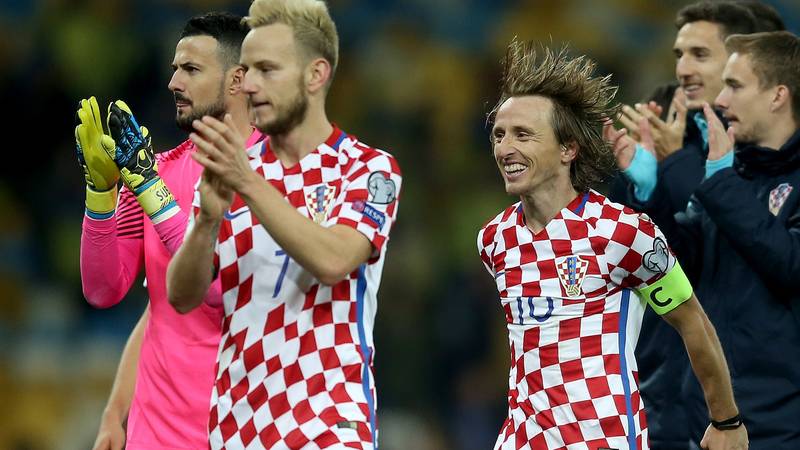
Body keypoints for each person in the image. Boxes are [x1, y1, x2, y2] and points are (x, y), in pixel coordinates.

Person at [477, 41, 748, 450]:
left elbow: (693, 322)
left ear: (568, 148)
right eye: (499, 135)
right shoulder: (495, 239)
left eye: (523, 135)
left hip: (602, 437)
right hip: (522, 438)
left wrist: (726, 420)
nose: (505, 148)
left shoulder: (622, 233)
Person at [166, 0, 402, 448]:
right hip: (236, 427)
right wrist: (207, 221)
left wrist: (247, 184)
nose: (250, 84)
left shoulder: (366, 169)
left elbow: (334, 260)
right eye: (247, 69)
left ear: (315, 75)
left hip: (327, 422)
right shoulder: (234, 167)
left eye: (267, 70)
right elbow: (182, 295)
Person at [75, 12, 262, 450]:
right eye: (175, 68)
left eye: (191, 69)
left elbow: (218, 290)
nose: (173, 82)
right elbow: (107, 292)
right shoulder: (153, 169)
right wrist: (100, 193)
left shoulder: (272, 178)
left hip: (242, 429)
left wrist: (149, 189)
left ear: (237, 80)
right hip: (154, 435)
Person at [640, 30, 800, 450]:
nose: (722, 99)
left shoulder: (731, 178)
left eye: (735, 85)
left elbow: (790, 265)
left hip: (780, 428)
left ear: (777, 95)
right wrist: (650, 195)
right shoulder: (732, 171)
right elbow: (683, 270)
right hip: (711, 424)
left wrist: (720, 181)